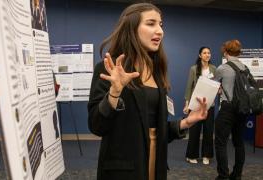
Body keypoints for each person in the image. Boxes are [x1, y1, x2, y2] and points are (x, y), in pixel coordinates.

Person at [87, 3, 208, 180]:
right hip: (123, 170)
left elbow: (152, 128)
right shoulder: (110, 68)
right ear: (131, 28)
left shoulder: (157, 71)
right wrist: (114, 93)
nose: (160, 31)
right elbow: (97, 126)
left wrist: (186, 123)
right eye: (151, 23)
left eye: (161, 24)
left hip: (155, 162)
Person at [214, 39, 246, 180]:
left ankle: (223, 176)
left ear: (226, 52)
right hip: (242, 108)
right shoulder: (245, 68)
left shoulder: (222, 68)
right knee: (239, 143)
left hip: (227, 108)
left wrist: (220, 90)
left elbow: (213, 86)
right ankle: (237, 175)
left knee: (221, 142)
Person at [183, 47, 216, 165]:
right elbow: (189, 87)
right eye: (205, 53)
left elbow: (216, 85)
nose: (207, 55)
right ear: (200, 55)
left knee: (208, 131)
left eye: (209, 53)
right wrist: (187, 104)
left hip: (209, 105)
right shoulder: (194, 69)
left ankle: (207, 155)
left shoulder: (214, 69)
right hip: (196, 105)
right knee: (194, 131)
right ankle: (191, 155)